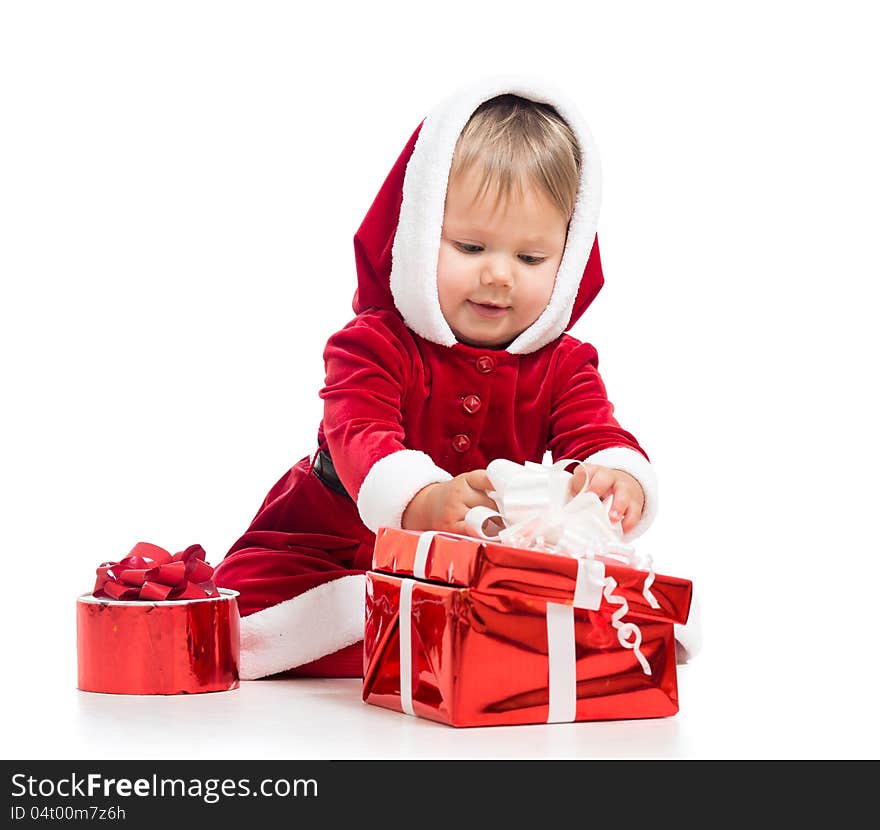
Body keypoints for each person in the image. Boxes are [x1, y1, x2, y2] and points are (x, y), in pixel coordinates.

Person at [214, 75, 658, 680]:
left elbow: (594, 430)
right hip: (330, 548)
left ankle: (433, 631)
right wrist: (423, 501)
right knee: (248, 617)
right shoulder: (371, 344)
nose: (500, 275)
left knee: (549, 605)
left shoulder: (564, 364)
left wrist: (617, 476)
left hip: (468, 567)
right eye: (471, 246)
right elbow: (359, 435)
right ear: (417, 236)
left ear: (570, 259)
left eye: (531, 259)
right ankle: (380, 625)